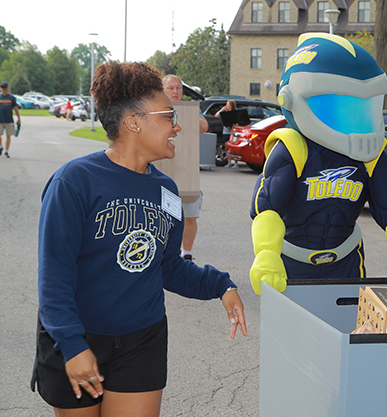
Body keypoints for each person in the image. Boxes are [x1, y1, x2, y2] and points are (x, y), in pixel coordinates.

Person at [31, 61, 248, 416]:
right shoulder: (73, 181)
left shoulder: (167, 190)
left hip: (142, 339)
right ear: (133, 122)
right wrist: (71, 344)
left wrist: (220, 285)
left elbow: (168, 268)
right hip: (77, 337)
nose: (177, 126)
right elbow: (54, 275)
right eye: (168, 116)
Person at [249, 33, 387, 295]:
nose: (353, 117)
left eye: (364, 105)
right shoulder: (293, 147)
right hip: (292, 263)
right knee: (292, 333)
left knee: (349, 331)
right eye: (338, 105)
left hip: (346, 260)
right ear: (291, 99)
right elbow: (268, 208)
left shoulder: (371, 154)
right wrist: (266, 253)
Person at [162, 74, 207, 261]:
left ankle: (186, 254)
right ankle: (162, 254)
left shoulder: (190, 109)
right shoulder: (155, 108)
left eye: (178, 88)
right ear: (163, 90)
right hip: (162, 171)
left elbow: (204, 126)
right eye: (171, 88)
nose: (175, 91)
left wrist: (185, 119)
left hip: (187, 174)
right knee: (161, 218)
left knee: (190, 216)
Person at [0, 81, 21, 158]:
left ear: (7, 88)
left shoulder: (11, 98)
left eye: (5, 87)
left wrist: (18, 118)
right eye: (2, 87)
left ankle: (6, 151)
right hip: (0, 120)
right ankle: (1, 146)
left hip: (9, 120)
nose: (4, 89)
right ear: (0, 88)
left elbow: (15, 108)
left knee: (8, 136)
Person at [216, 99, 239, 168]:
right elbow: (216, 115)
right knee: (227, 147)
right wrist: (222, 109)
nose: (227, 106)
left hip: (233, 132)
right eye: (227, 104)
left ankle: (236, 163)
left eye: (229, 105)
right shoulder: (224, 113)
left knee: (234, 148)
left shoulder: (235, 113)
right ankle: (229, 162)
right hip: (226, 132)